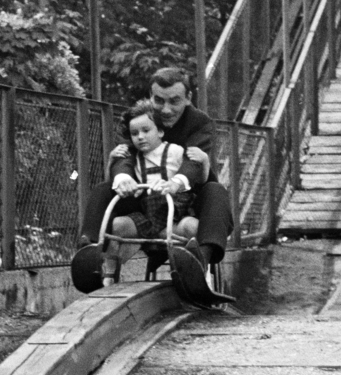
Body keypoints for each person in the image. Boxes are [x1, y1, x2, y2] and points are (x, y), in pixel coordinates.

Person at [76, 67, 235, 287]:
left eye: (175, 101)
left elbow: (193, 161)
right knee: (105, 188)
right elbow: (124, 154)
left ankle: (201, 256)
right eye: (159, 101)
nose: (166, 110)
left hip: (183, 200)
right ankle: (89, 251)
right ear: (151, 97)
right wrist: (123, 177)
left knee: (216, 190)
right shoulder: (139, 120)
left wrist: (175, 183)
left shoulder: (199, 123)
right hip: (144, 201)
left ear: (188, 98)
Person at [100, 101, 200, 283]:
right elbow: (110, 186)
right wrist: (110, 162)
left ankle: (199, 273)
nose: (140, 137)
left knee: (192, 226)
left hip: (172, 215)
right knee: (117, 224)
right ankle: (109, 274)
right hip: (147, 217)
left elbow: (192, 172)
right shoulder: (133, 159)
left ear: (160, 132)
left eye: (146, 131)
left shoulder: (175, 152)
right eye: (135, 133)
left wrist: (174, 183)